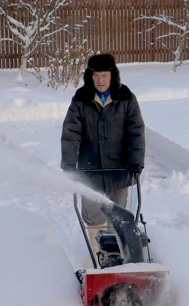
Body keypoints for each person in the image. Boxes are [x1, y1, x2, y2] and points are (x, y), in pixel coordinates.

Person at [61, 53, 145, 226]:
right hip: (90, 170)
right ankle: (98, 250)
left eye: (104, 76)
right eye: (97, 76)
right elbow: (71, 134)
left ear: (112, 75)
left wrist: (136, 162)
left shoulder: (126, 98)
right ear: (90, 76)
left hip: (119, 170)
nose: (100, 81)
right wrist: (69, 165)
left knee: (119, 216)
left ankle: (119, 249)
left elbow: (135, 132)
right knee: (93, 217)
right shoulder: (81, 99)